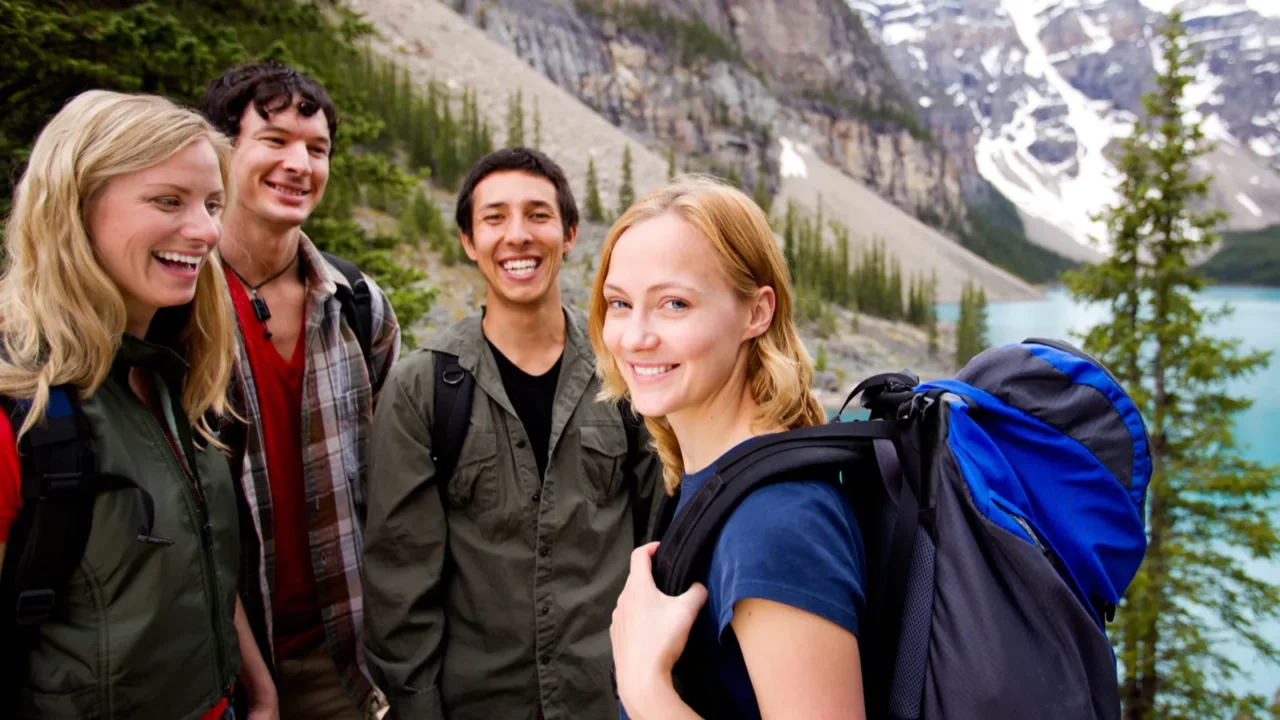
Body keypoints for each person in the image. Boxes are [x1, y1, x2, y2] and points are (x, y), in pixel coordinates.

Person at [0, 90, 276, 718]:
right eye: (167, 201)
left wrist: (255, 687)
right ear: (73, 207)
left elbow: (199, 543)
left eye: (211, 204)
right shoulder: (19, 405)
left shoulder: (184, 374)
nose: (208, 230)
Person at [362, 147, 664, 720]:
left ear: (569, 233)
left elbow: (661, 540)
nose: (518, 236)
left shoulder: (626, 375)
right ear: (469, 242)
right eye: (495, 218)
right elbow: (400, 580)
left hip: (607, 701)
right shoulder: (422, 388)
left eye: (539, 215)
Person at [591, 177, 867, 719]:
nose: (634, 336)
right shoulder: (713, 479)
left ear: (756, 313)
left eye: (674, 303)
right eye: (619, 303)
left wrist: (646, 688)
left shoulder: (776, 523)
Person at [200, 61, 400, 719]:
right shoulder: (175, 309)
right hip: (213, 666)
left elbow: (397, 483)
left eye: (317, 150)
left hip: (344, 660)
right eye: (275, 140)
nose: (300, 164)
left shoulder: (358, 307)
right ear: (222, 151)